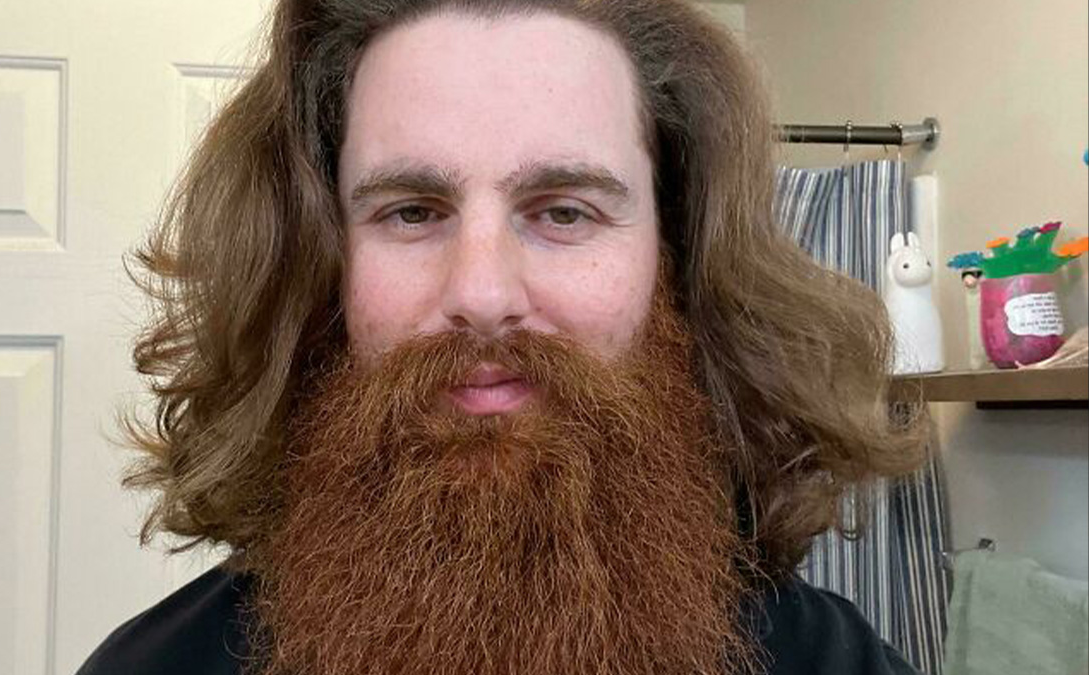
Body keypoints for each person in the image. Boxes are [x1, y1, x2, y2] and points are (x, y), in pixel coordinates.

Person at [81, 0, 928, 673]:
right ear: (319, 265)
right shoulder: (153, 665)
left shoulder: (833, 662)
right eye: (411, 212)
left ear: (674, 257)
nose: (481, 293)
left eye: (565, 211)